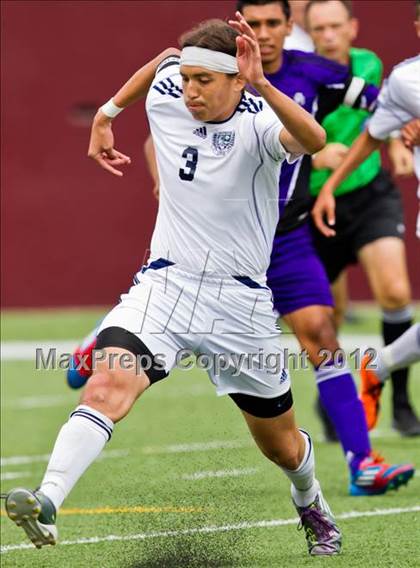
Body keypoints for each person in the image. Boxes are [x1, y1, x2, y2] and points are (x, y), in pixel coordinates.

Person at [5, 16, 344, 556]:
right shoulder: (172, 88)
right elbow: (161, 62)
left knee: (281, 446)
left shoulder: (260, 125)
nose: (188, 90)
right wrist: (107, 113)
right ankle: (47, 501)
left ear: (237, 79)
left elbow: (315, 137)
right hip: (165, 286)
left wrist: (264, 84)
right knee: (106, 387)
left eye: (203, 81)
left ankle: (310, 500)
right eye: (186, 78)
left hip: (241, 305)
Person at [67, 0, 416, 497]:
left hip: (285, 236)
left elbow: (381, 107)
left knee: (320, 333)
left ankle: (362, 463)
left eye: (274, 23)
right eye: (253, 24)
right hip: (211, 242)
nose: (264, 34)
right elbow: (157, 128)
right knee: (166, 299)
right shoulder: (205, 78)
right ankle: (99, 339)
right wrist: (149, 165)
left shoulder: (318, 74)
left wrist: (403, 134)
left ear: (290, 27)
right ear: (237, 31)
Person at [306, 0, 420, 437]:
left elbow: (383, 118)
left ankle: (402, 402)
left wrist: (397, 144)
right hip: (319, 204)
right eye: (321, 28)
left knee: (395, 292)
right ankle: (336, 397)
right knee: (328, 316)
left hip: (373, 195)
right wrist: (321, 165)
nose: (330, 35)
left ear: (353, 28)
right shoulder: (295, 74)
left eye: (337, 26)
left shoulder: (370, 66)